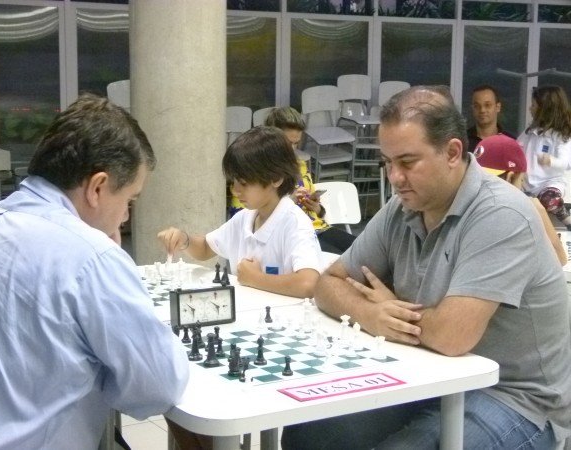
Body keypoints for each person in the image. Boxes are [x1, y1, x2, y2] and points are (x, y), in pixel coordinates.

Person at [281, 85, 571, 449]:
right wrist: (372, 313)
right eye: (387, 163)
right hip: (426, 373)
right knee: (308, 431)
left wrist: (394, 307)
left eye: (407, 162)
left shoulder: (501, 213)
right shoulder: (401, 208)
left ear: (452, 152)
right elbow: (328, 284)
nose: (394, 177)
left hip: (514, 399)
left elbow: (452, 337)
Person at [0, 93, 190, 449]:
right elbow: (158, 387)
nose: (126, 216)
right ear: (98, 187)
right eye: (129, 200)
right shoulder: (92, 258)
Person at [158, 126, 322, 299]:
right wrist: (184, 240)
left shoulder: (294, 223)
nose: (235, 190)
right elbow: (206, 248)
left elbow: (309, 284)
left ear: (276, 178)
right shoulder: (245, 218)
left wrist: (255, 278)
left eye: (244, 183)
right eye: (233, 182)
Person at [229, 106, 357, 254]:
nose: (292, 149)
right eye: (288, 143)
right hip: (289, 237)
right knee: (341, 261)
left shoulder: (300, 165)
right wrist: (289, 201)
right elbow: (241, 221)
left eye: (296, 143)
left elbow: (320, 213)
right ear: (270, 139)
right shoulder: (253, 172)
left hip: (319, 229)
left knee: (364, 251)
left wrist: (316, 207)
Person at [474, 134, 568, 265]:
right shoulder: (529, 209)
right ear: (510, 177)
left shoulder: (466, 207)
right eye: (522, 179)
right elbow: (560, 259)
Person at [518, 85, 571, 230]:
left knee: (549, 199)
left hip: (549, 184)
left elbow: (566, 163)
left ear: (545, 109)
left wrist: (550, 161)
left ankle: (568, 221)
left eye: (533, 105)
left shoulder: (561, 136)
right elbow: (517, 147)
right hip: (527, 185)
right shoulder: (529, 132)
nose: (530, 108)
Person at [467, 84, 515, 151]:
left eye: (487, 105)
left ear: (498, 107)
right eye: (477, 106)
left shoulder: (510, 143)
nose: (482, 110)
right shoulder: (463, 141)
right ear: (472, 108)